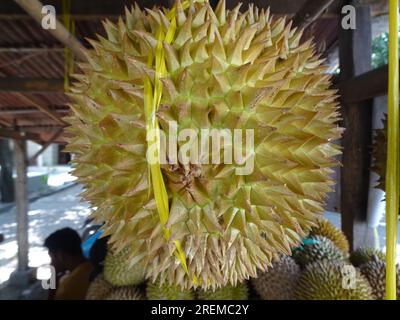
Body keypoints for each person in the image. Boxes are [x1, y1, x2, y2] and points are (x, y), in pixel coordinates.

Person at [44, 227, 93, 300]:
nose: (51, 262)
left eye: (51, 257)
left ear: (60, 256)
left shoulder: (67, 287)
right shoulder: (93, 266)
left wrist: (53, 279)